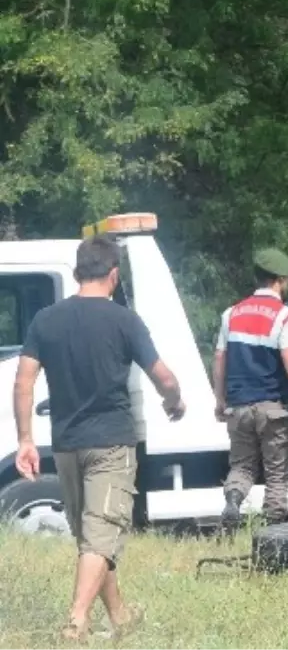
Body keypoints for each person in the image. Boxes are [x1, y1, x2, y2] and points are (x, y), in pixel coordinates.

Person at [11, 235, 185, 642]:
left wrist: (25, 439)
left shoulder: (45, 320)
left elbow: (23, 381)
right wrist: (174, 401)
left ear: (76, 274)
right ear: (113, 275)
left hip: (67, 445)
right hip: (110, 444)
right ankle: (76, 621)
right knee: (100, 534)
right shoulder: (124, 320)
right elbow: (164, 377)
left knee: (93, 537)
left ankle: (121, 616)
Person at [213, 248, 288, 529]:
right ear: (280, 281)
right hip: (273, 408)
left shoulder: (231, 314)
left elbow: (220, 357)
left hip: (239, 406)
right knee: (276, 474)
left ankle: (234, 498)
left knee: (242, 466)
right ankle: (272, 533)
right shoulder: (285, 316)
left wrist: (220, 398)